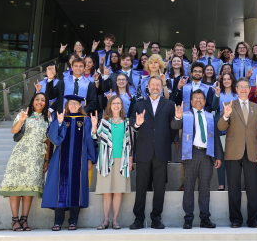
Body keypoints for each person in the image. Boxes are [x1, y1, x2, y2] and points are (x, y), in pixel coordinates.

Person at [129, 76, 180, 229]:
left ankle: (156, 218)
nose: (156, 87)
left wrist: (165, 140)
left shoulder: (170, 104)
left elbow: (173, 128)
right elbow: (132, 121)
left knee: (159, 187)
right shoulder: (139, 104)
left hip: (162, 150)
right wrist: (137, 124)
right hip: (144, 149)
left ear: (161, 86)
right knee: (141, 186)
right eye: (153, 85)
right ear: (148, 86)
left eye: (158, 85)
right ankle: (138, 219)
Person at [42, 95, 96, 231]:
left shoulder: (86, 120)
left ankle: (73, 221)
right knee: (60, 189)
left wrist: (90, 159)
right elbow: (55, 140)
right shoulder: (60, 118)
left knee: (76, 190)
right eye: (71, 103)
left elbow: (89, 140)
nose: (73, 106)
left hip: (80, 160)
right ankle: (58, 222)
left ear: (80, 106)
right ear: (67, 105)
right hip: (60, 160)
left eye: (76, 104)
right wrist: (59, 123)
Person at [0, 93, 52, 232]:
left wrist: (47, 160)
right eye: (37, 99)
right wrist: (21, 120)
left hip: (36, 158)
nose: (39, 102)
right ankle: (14, 220)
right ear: (32, 101)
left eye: (42, 100)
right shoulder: (24, 114)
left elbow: (48, 142)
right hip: (20, 155)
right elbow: (14, 131)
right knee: (16, 188)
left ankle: (24, 219)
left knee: (29, 190)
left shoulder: (48, 119)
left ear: (46, 103)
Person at [217, 77, 257, 228]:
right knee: (233, 187)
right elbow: (220, 127)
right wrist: (226, 115)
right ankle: (235, 220)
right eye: (241, 87)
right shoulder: (229, 105)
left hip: (252, 151)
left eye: (246, 87)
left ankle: (253, 220)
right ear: (236, 89)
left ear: (250, 89)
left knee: (253, 188)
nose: (244, 89)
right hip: (233, 151)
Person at [172, 89, 223, 229]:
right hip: (190, 153)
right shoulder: (186, 115)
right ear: (191, 101)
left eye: (201, 98)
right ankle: (188, 218)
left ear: (205, 101)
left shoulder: (210, 116)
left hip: (207, 155)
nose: (198, 100)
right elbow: (174, 127)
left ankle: (205, 218)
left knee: (205, 187)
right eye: (195, 98)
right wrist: (177, 117)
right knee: (188, 187)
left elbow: (216, 138)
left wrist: (218, 155)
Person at [92, 96, 134, 230]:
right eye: (114, 103)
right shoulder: (104, 121)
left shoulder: (127, 122)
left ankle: (115, 220)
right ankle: (105, 221)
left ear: (122, 106)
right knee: (106, 192)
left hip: (122, 161)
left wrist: (131, 159)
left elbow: (131, 143)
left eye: (118, 103)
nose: (116, 105)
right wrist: (94, 126)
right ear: (110, 106)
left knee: (118, 192)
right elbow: (95, 136)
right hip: (106, 161)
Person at [212, 73, 238, 191]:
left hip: (234, 127)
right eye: (224, 79)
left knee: (233, 157)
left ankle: (233, 183)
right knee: (220, 156)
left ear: (232, 80)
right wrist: (216, 95)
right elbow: (213, 107)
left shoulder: (237, 93)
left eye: (229, 79)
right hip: (220, 127)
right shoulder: (218, 92)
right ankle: (221, 184)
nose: (227, 81)